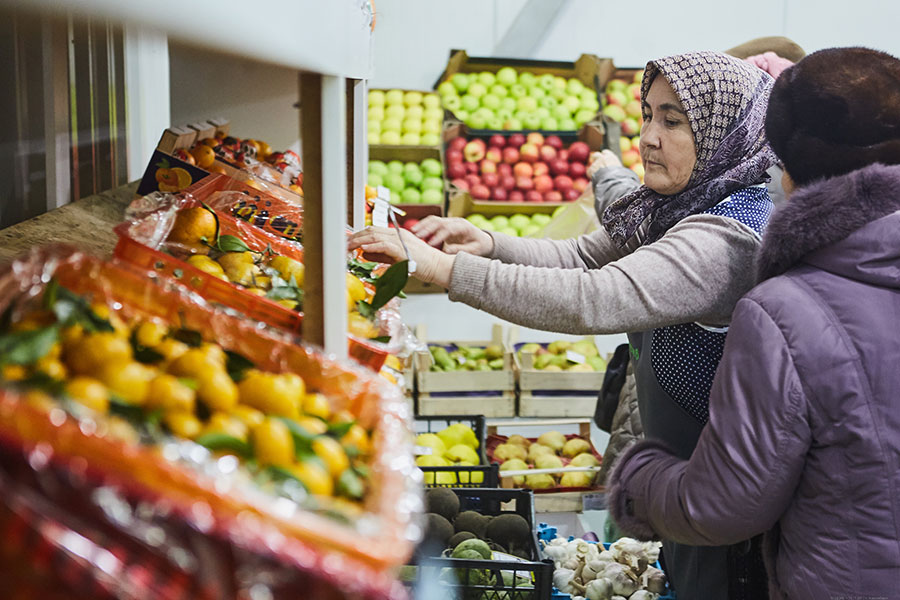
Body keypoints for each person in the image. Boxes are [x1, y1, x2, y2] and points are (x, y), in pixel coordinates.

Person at [351, 50, 776, 598]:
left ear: (726, 133)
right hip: (687, 483)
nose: (648, 136)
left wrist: (445, 269)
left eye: (673, 121)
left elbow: (594, 297)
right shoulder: (671, 207)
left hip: (727, 504)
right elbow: (581, 258)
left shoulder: (727, 237)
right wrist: (491, 244)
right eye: (647, 114)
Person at [607, 47, 900, 600]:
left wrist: (638, 478)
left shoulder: (782, 308)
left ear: (790, 170)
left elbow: (723, 503)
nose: (650, 136)